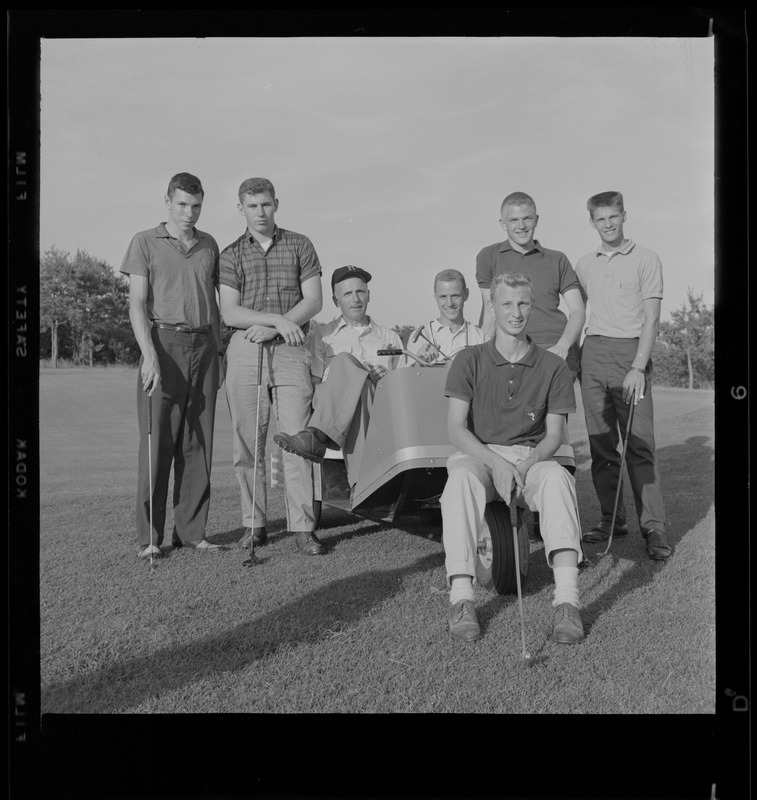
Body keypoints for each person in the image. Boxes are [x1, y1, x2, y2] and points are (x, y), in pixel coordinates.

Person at [441, 272, 585, 644]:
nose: (515, 312)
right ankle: (462, 600)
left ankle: (567, 603)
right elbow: (457, 429)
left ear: (533, 306)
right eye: (506, 303)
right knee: (459, 481)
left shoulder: (554, 366)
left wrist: (522, 465)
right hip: (479, 456)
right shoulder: (468, 359)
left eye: (523, 303)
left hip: (530, 459)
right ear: (493, 307)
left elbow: (554, 435)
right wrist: (496, 462)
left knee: (557, 479)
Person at [219, 177, 324, 556]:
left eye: (265, 205)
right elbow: (229, 311)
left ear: (275, 203)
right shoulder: (230, 253)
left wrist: (279, 325)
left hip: (292, 348)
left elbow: (313, 301)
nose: (259, 213)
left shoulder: (299, 244)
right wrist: (275, 320)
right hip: (246, 348)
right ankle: (254, 524)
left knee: (296, 439)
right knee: (248, 441)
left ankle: (303, 527)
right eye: (252, 206)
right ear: (241, 208)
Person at [120, 172, 224, 558]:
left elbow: (215, 305)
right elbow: (136, 304)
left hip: (205, 345)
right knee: (157, 442)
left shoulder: (209, 244)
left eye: (196, 206)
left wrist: (220, 354)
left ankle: (192, 533)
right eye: (182, 204)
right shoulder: (145, 241)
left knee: (199, 442)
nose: (189, 212)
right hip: (163, 342)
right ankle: (150, 539)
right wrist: (148, 355)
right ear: (168, 201)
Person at [575, 191, 671, 561]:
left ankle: (655, 528)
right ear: (592, 222)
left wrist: (637, 367)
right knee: (601, 444)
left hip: (631, 352)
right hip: (593, 352)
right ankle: (612, 519)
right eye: (601, 219)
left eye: (614, 217)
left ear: (624, 215)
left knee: (639, 444)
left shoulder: (647, 258)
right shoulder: (584, 264)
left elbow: (652, 318)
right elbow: (577, 313)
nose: (608, 224)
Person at [274, 266, 402, 489]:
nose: (355, 299)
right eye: (347, 294)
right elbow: (314, 386)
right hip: (330, 403)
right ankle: (362, 486)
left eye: (360, 292)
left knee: (354, 377)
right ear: (335, 301)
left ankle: (317, 438)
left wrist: (385, 377)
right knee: (344, 361)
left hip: (376, 407)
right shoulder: (323, 336)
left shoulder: (389, 337)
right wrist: (352, 381)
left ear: (369, 295)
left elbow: (400, 391)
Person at [476, 191, 585, 379]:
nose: (521, 226)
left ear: (536, 219)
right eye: (513, 220)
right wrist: (483, 355)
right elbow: (490, 311)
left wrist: (562, 346)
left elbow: (578, 310)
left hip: (554, 351)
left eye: (527, 218)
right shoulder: (488, 256)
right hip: (508, 353)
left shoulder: (557, 259)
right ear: (503, 224)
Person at [405, 269, 487, 365]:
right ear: (435, 297)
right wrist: (419, 362)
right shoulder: (421, 337)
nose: (449, 303)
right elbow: (410, 376)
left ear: (466, 294)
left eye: (455, 296)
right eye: (443, 297)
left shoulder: (482, 338)